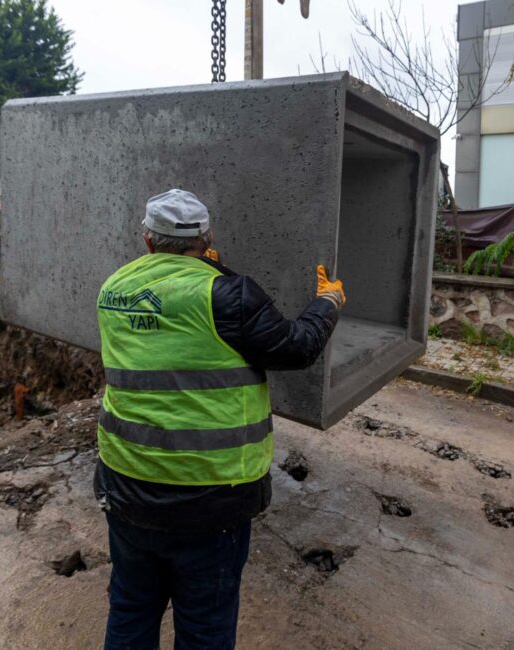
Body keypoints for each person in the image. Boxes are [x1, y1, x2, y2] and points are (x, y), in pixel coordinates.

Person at [95, 188, 346, 649]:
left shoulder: (114, 287)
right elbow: (296, 347)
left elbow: (178, 317)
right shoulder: (229, 296)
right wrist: (327, 303)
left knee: (131, 607)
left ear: (147, 240)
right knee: (205, 626)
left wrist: (213, 272)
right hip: (209, 499)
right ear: (207, 239)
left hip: (126, 485)